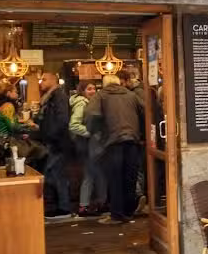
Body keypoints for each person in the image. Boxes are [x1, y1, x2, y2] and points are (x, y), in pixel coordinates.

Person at [86, 73, 145, 224]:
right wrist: (141, 134)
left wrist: (96, 132)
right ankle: (128, 212)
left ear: (104, 84)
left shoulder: (100, 96)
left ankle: (117, 215)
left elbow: (92, 116)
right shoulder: (131, 95)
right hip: (132, 140)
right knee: (130, 178)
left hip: (112, 142)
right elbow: (144, 112)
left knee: (115, 179)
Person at [37, 73, 71, 219]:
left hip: (57, 142)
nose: (41, 82)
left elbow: (62, 120)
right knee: (53, 173)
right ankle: (59, 206)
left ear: (53, 80)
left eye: (44, 79)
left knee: (55, 173)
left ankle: (64, 208)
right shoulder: (51, 97)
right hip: (53, 141)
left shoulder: (59, 97)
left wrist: (52, 135)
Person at [69, 81, 105, 217]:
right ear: (82, 90)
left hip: (86, 145)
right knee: (91, 175)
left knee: (93, 174)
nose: (92, 91)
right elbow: (73, 125)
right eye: (89, 89)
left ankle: (91, 204)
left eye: (94, 88)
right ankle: (85, 205)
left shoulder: (86, 102)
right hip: (86, 145)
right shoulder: (82, 103)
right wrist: (90, 132)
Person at [118, 69, 148, 215]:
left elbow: (144, 114)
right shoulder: (137, 92)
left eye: (121, 83)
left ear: (127, 81)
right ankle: (138, 196)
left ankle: (138, 195)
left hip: (138, 136)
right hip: (138, 135)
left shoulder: (135, 93)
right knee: (137, 168)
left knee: (136, 168)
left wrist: (142, 134)